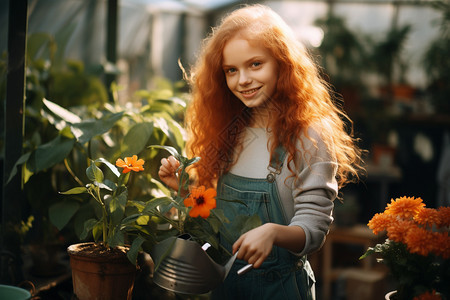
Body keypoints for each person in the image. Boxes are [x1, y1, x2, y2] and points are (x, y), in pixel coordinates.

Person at [158, 4, 364, 300]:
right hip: (226, 288)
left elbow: (314, 230)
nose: (242, 79)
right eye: (231, 70)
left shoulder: (310, 135)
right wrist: (184, 190)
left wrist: (273, 232)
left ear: (282, 63)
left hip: (280, 289)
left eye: (255, 64)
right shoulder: (230, 130)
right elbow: (221, 222)